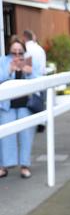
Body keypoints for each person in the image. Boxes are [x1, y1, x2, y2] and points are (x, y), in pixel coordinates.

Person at [0, 36, 44, 179]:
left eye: (20, 52)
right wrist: (9, 71)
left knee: (26, 134)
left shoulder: (31, 60)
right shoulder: (3, 61)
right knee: (6, 135)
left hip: (26, 103)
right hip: (7, 104)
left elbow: (40, 80)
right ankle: (5, 165)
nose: (17, 55)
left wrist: (30, 72)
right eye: (14, 52)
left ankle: (25, 165)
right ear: (9, 51)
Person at [23, 30, 47, 133]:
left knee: (32, 103)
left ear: (24, 37)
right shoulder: (40, 49)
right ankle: (42, 122)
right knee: (40, 101)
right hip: (41, 77)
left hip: (31, 78)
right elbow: (43, 67)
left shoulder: (27, 49)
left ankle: (36, 123)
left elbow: (27, 68)